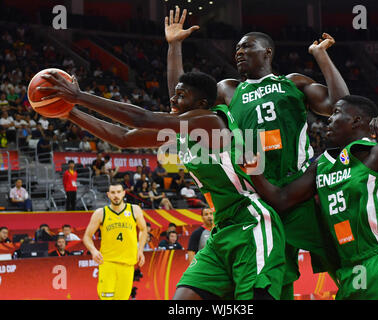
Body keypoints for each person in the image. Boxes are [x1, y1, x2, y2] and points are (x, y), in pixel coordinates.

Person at [39, 70, 286, 300]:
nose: (173, 98)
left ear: (200, 104)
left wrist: (80, 97)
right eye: (174, 93)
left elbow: (142, 118)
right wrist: (70, 112)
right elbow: (122, 138)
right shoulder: (181, 131)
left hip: (251, 223)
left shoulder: (210, 121)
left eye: (181, 95)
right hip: (223, 228)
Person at [165, 7, 349, 298]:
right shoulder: (228, 89)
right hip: (255, 194)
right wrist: (174, 46)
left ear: (267, 52)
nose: (239, 51)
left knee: (344, 255)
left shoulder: (293, 83)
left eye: (247, 45)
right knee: (276, 277)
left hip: (296, 189)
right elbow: (181, 103)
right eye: (237, 47)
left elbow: (342, 106)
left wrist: (321, 56)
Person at [245, 95, 378, 299]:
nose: (328, 118)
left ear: (356, 121)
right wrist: (252, 166)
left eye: (336, 113)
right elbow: (281, 200)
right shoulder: (322, 164)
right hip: (349, 272)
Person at [82, 183, 148, 300]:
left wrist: (141, 250)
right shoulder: (100, 213)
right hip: (108, 263)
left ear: (123, 193)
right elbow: (87, 236)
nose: (116, 195)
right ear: (108, 195)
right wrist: (93, 251)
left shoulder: (135, 210)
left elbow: (143, 230)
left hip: (128, 264)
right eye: (112, 192)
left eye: (118, 192)